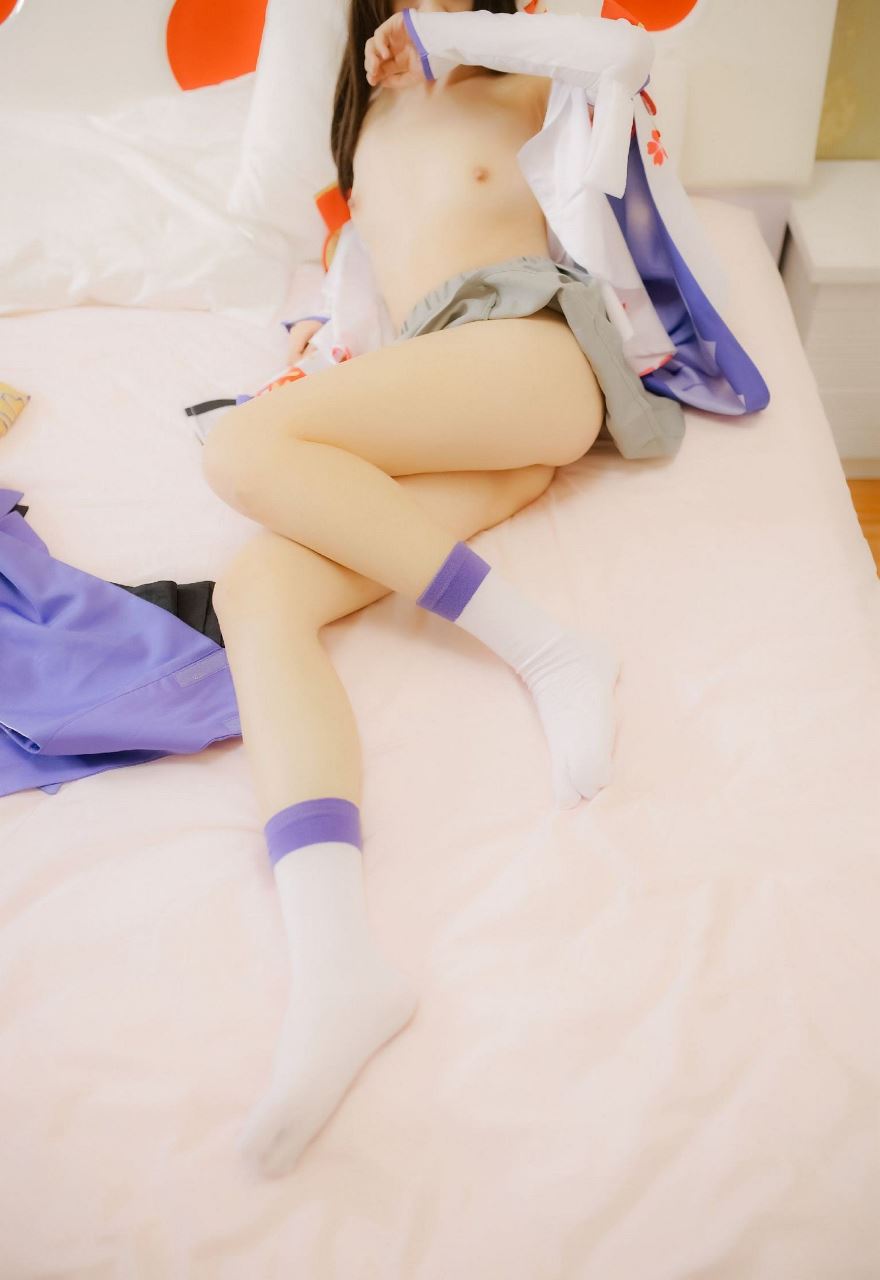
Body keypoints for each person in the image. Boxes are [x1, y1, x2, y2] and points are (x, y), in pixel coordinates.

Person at [199, 0, 673, 1180]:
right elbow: (361, 308)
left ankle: (550, 648)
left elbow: (624, 53)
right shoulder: (361, 124)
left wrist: (458, 44)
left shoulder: (523, 78)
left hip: (532, 349)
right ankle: (338, 966)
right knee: (258, 588)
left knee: (239, 452)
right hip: (443, 395)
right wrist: (319, 361)